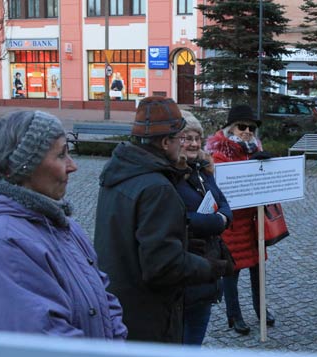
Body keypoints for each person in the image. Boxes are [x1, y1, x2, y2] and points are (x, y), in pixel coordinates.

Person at [94, 96, 232, 343]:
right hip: (149, 312)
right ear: (166, 142)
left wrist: (179, 235)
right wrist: (208, 267)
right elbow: (162, 267)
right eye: (181, 138)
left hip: (119, 300)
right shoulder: (157, 187)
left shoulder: (119, 171)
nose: (186, 144)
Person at [0, 110, 127, 339]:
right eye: (61, 154)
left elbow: (103, 295)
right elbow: (46, 337)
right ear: (23, 167)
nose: (73, 165)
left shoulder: (62, 223)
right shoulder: (5, 240)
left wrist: (115, 345)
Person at [205, 104, 275, 335]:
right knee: (231, 272)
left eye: (251, 128)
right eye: (242, 126)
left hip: (254, 223)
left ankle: (260, 309)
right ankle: (234, 315)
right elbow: (225, 181)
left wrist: (266, 166)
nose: (247, 131)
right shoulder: (218, 153)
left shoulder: (255, 149)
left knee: (258, 270)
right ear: (231, 128)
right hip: (232, 223)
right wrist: (252, 167)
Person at [175, 111, 234, 345]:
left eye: (197, 137)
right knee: (182, 342)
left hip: (208, 266)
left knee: (195, 339)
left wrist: (223, 218)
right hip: (187, 264)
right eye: (186, 137)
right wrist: (217, 222)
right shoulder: (171, 175)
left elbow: (225, 204)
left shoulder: (203, 169)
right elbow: (180, 217)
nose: (193, 143)